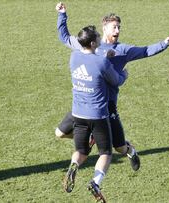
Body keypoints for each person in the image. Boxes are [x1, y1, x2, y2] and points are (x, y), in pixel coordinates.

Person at [55, 2, 169, 171]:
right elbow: (64, 37)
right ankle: (90, 137)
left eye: (119, 27)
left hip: (107, 106)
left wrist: (166, 42)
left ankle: (132, 152)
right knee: (60, 133)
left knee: (119, 148)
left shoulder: (123, 50)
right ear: (104, 28)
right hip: (84, 106)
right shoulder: (86, 44)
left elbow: (146, 51)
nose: (117, 30)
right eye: (114, 27)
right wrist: (62, 14)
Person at [63, 25, 127, 202]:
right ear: (92, 43)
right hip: (97, 115)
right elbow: (116, 81)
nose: (100, 39)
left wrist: (105, 56)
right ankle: (96, 182)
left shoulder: (74, 56)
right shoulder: (102, 62)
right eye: (98, 37)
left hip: (78, 113)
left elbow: (90, 61)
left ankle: (74, 165)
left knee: (81, 151)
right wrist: (124, 74)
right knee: (105, 153)